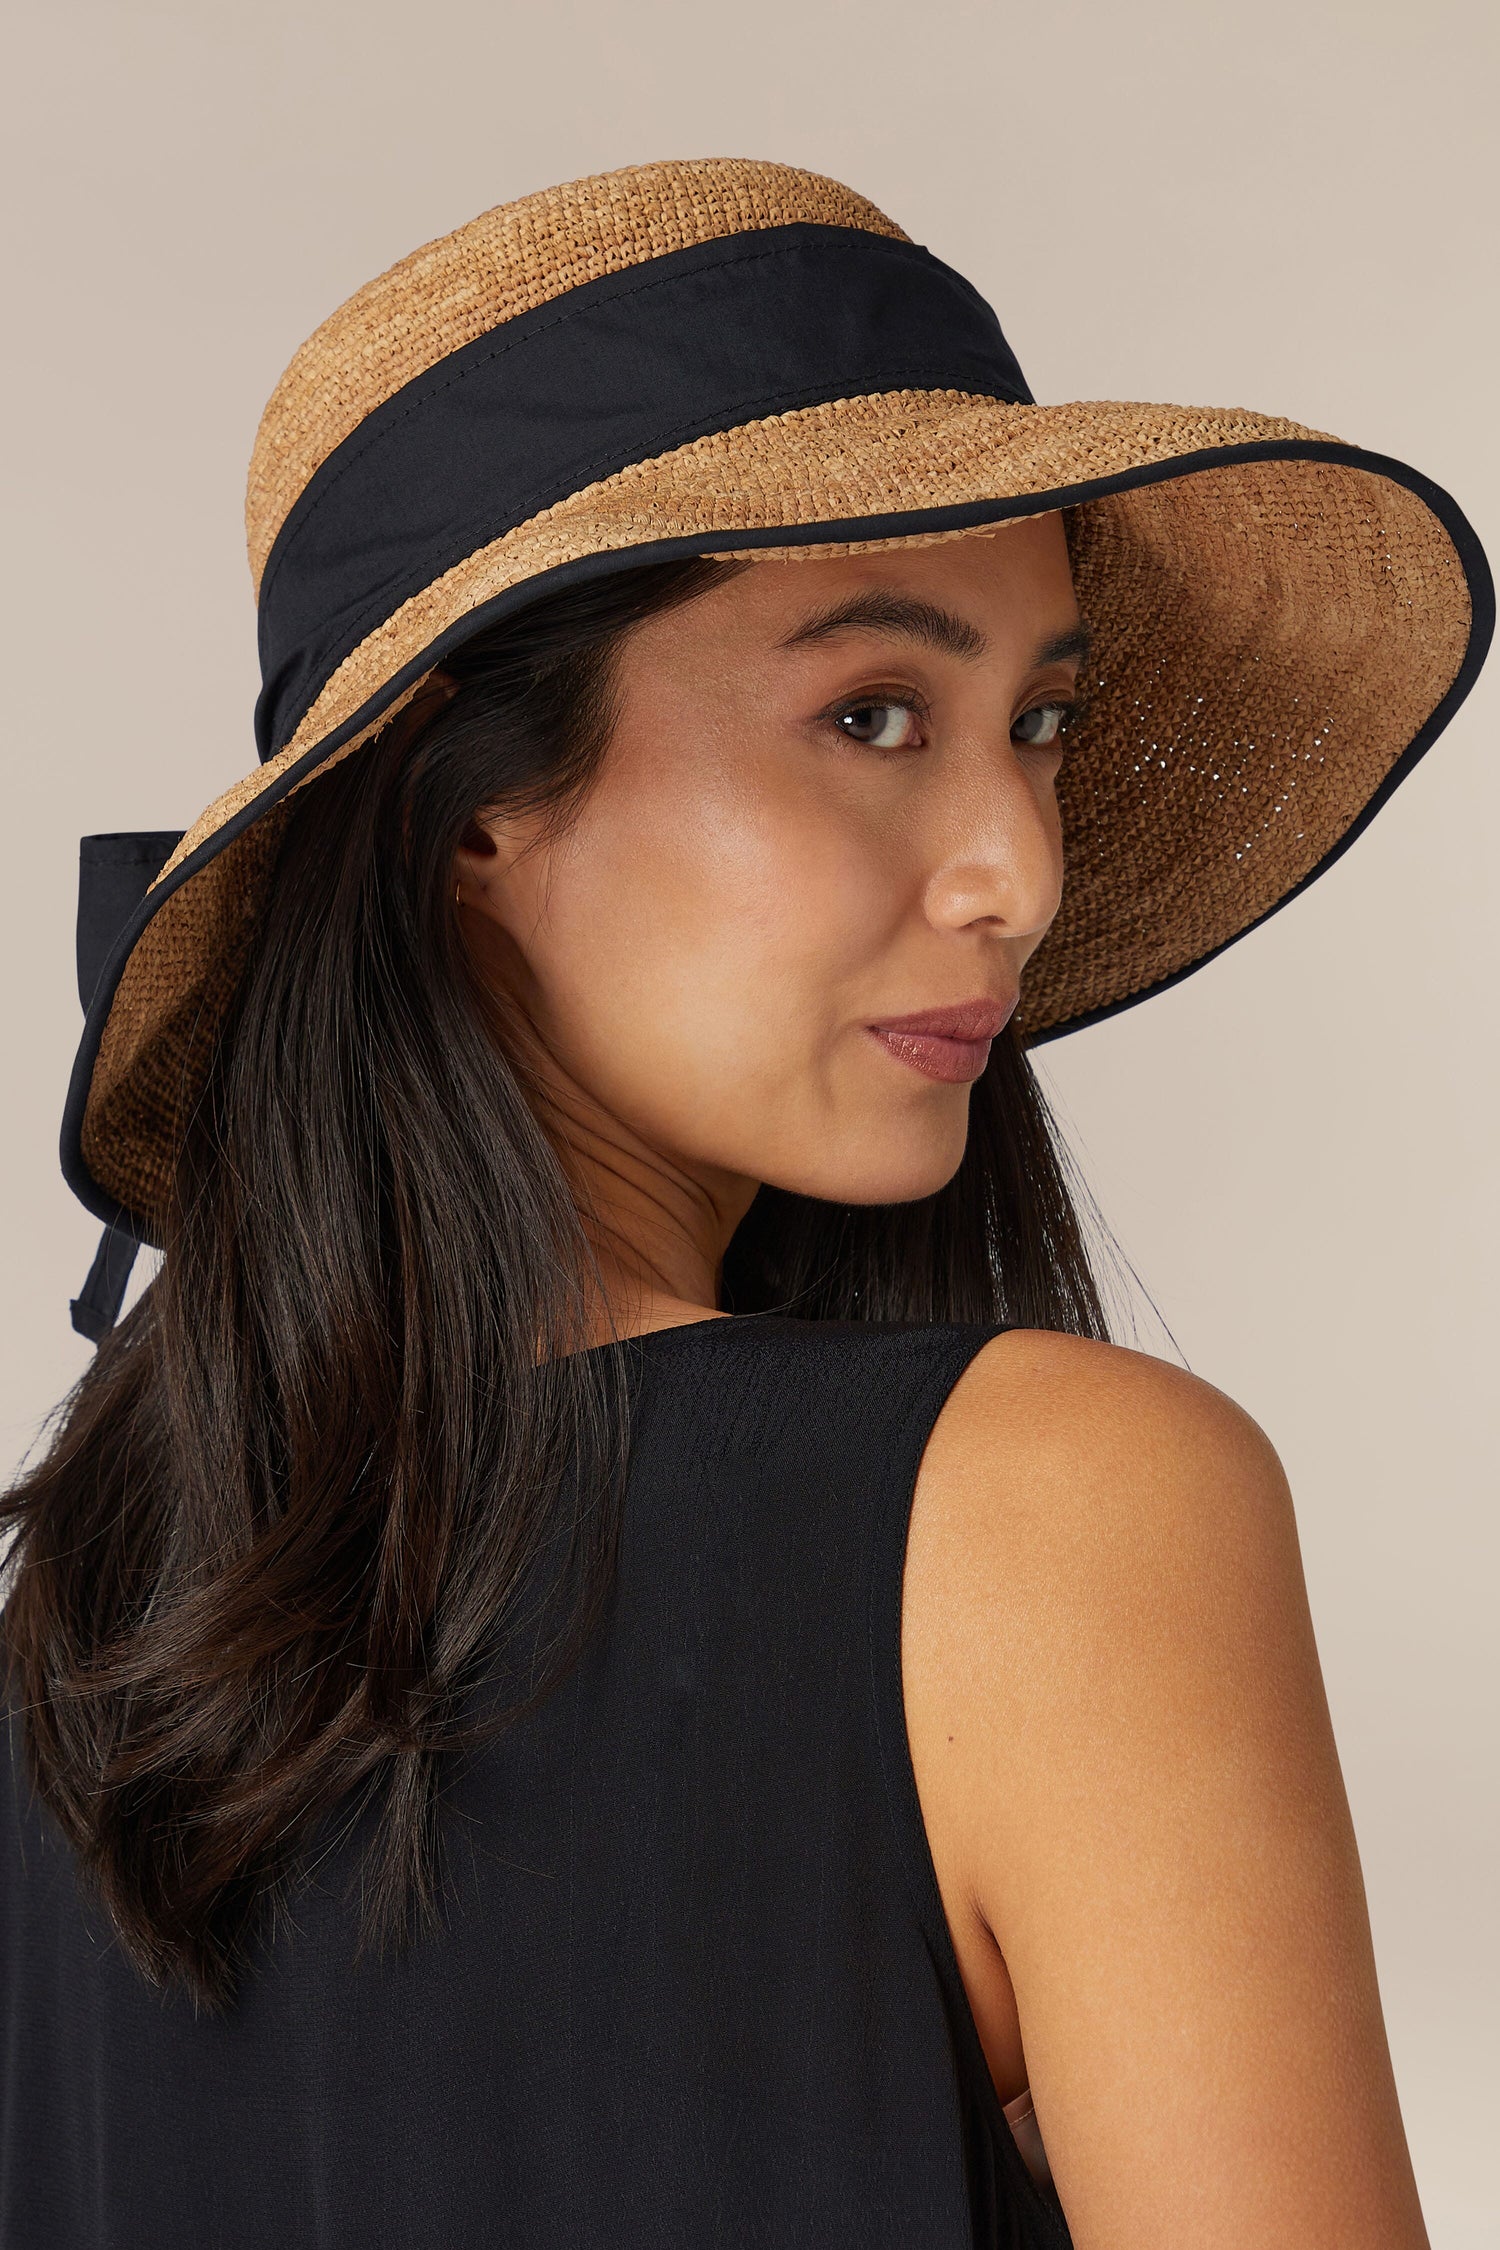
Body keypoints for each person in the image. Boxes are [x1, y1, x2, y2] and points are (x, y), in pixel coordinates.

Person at [1, 157, 1490, 2250]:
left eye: (1040, 723)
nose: (1020, 870)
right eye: (872, 713)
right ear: (469, 811)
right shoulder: (1059, 1514)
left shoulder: (71, 1664)